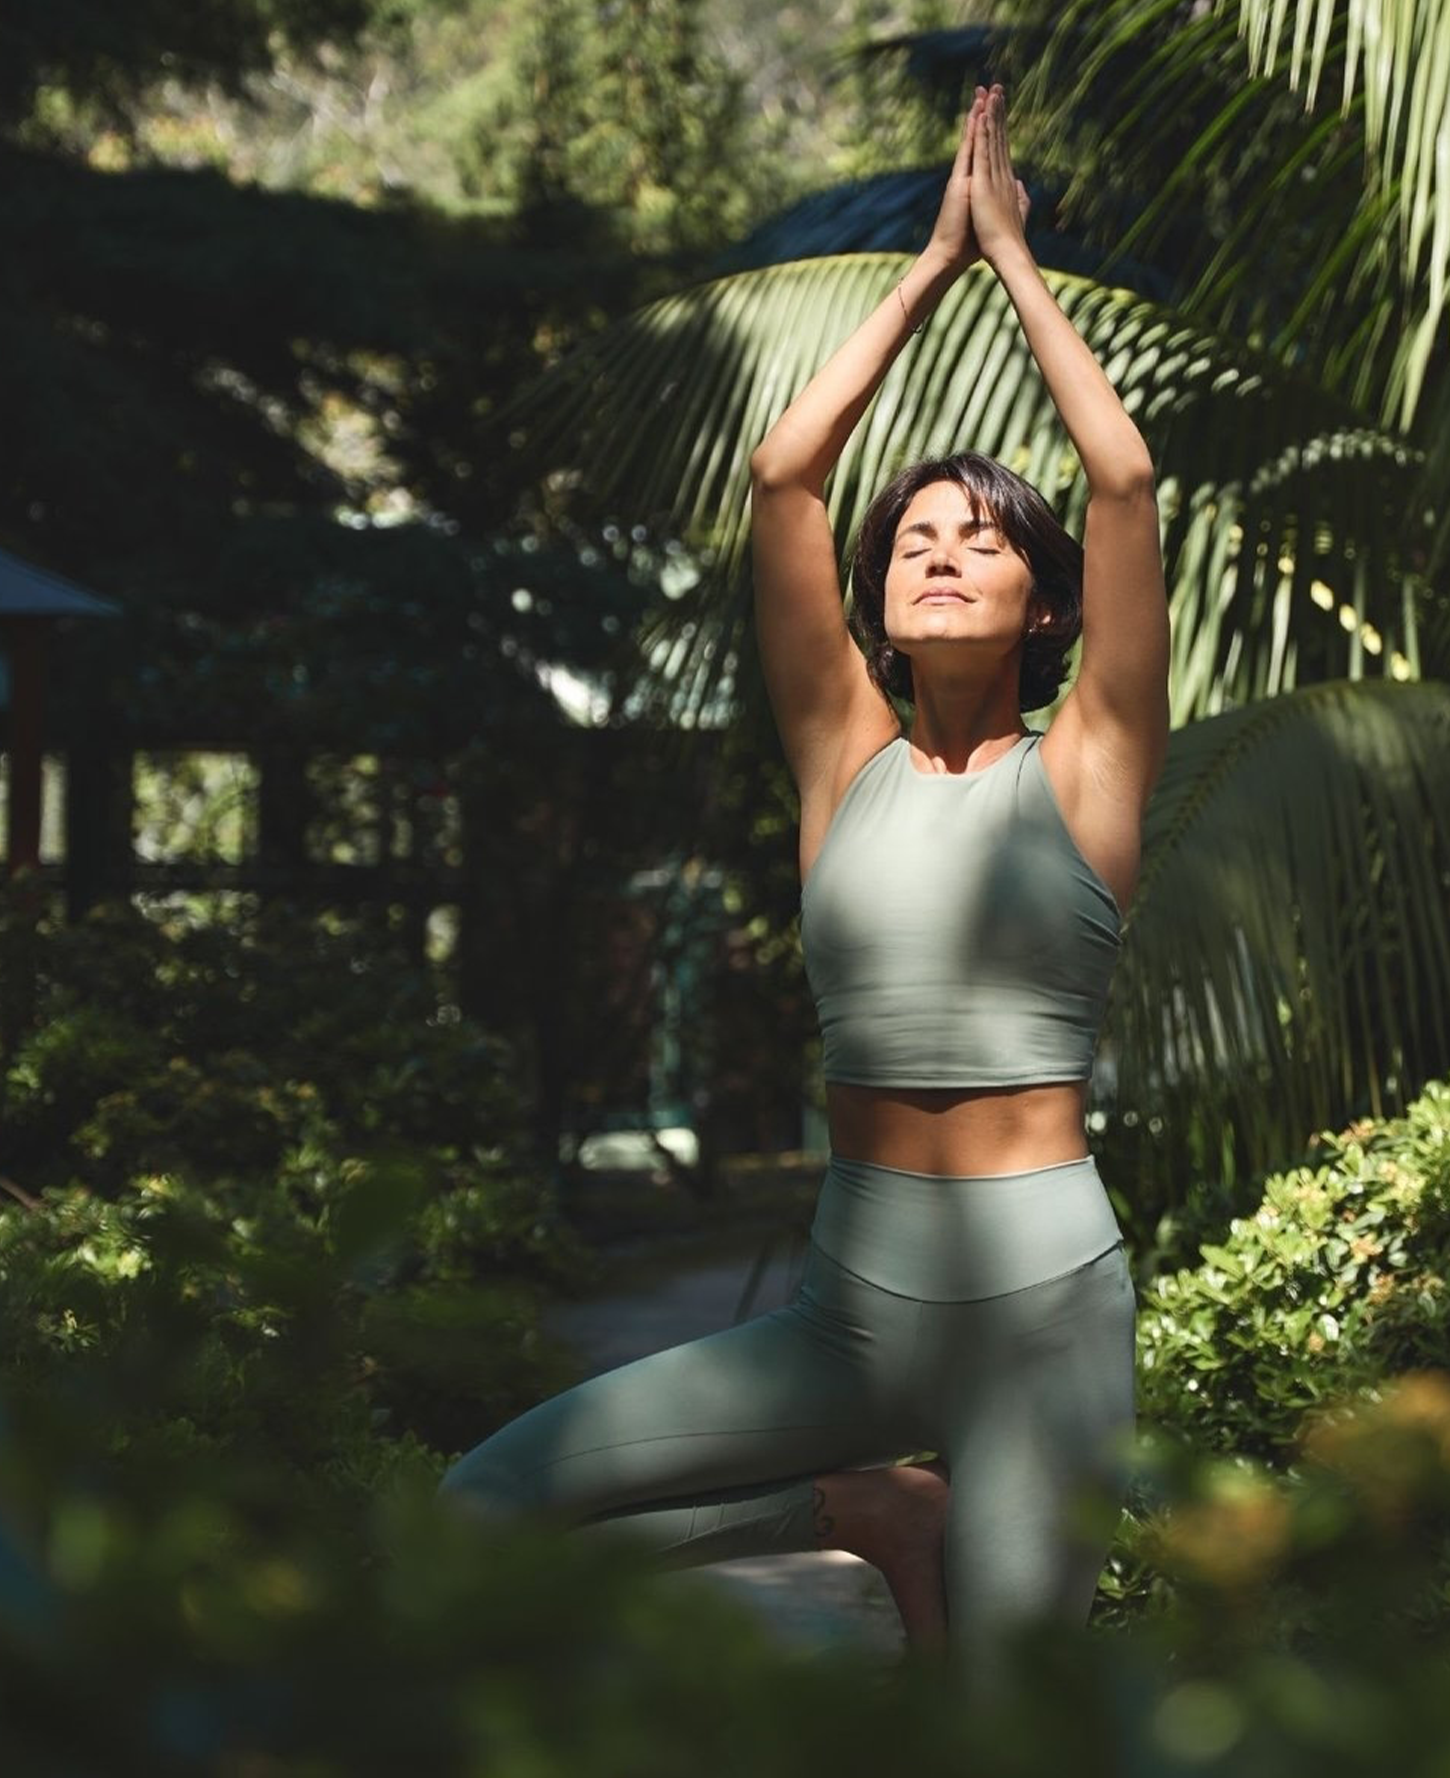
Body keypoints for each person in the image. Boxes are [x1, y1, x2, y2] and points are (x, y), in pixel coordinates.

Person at [440, 84, 1170, 1670]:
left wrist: (1017, 270)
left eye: (983, 539)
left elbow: (1121, 485)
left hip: (1048, 1307)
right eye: (915, 536)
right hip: (858, 1298)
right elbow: (783, 479)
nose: (940, 551)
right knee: (482, 1495)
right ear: (882, 601)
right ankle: (866, 1504)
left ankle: (911, 1537)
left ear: (1047, 608)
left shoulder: (1092, 762)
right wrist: (925, 267)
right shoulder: (844, 756)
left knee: (999, 1721)